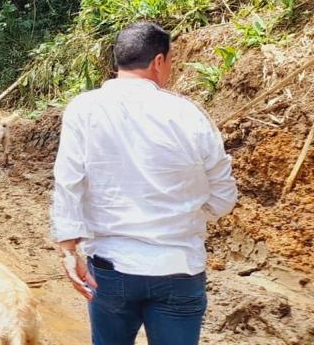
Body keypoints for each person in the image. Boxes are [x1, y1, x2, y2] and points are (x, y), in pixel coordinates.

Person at [51, 20, 238, 345]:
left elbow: (68, 181)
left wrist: (68, 250)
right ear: (158, 62)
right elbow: (223, 198)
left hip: (112, 269)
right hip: (179, 269)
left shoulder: (84, 109)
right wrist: (189, 210)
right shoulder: (189, 114)